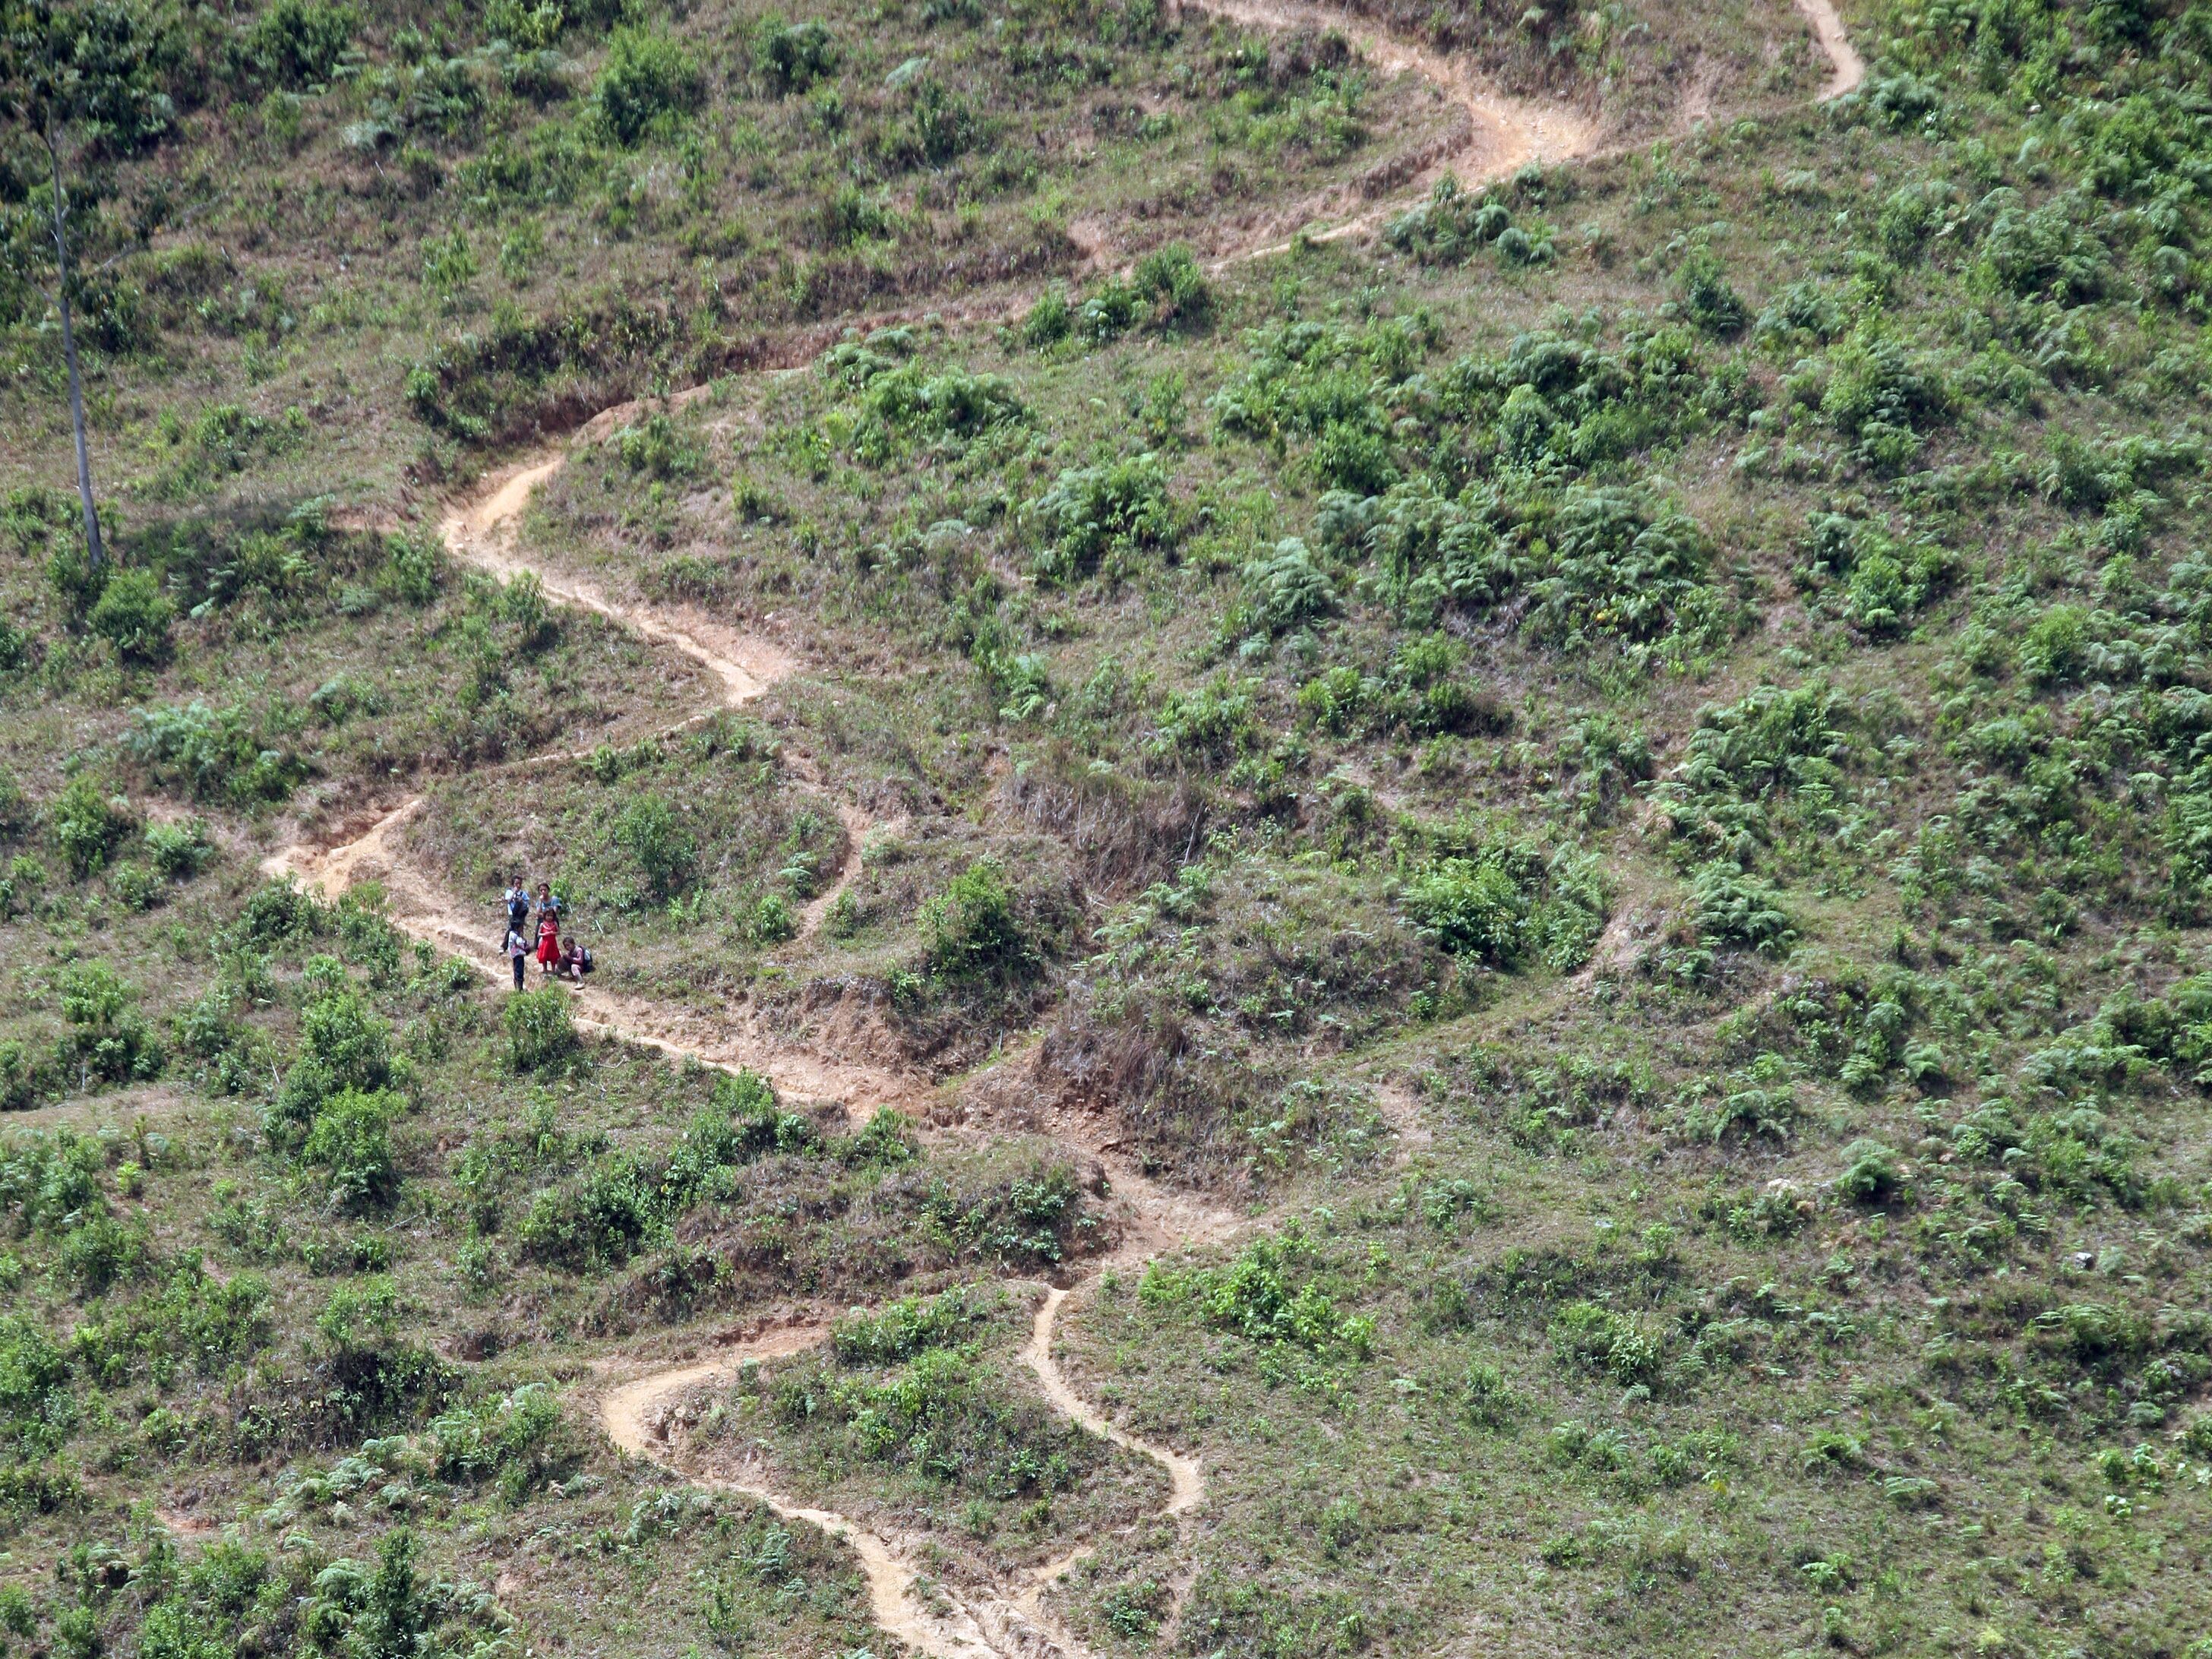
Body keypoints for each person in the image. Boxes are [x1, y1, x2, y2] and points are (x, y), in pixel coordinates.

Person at [535, 882, 561, 978]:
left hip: (552, 936)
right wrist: (541, 902)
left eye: (545, 890)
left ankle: (554, 970)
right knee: (543, 952)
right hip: (544, 932)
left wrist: (546, 914)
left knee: (553, 955)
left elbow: (554, 912)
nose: (543, 892)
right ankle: (545, 969)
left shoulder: (554, 899)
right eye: (541, 890)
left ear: (548, 890)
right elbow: (538, 914)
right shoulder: (540, 902)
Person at [505, 921, 529, 989]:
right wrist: (523, 938)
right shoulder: (515, 935)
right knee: (519, 971)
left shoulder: (511, 934)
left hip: (515, 955)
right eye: (521, 927)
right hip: (518, 955)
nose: (522, 929)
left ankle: (517, 987)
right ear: (517, 928)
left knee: (516, 970)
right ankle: (519, 988)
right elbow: (520, 943)